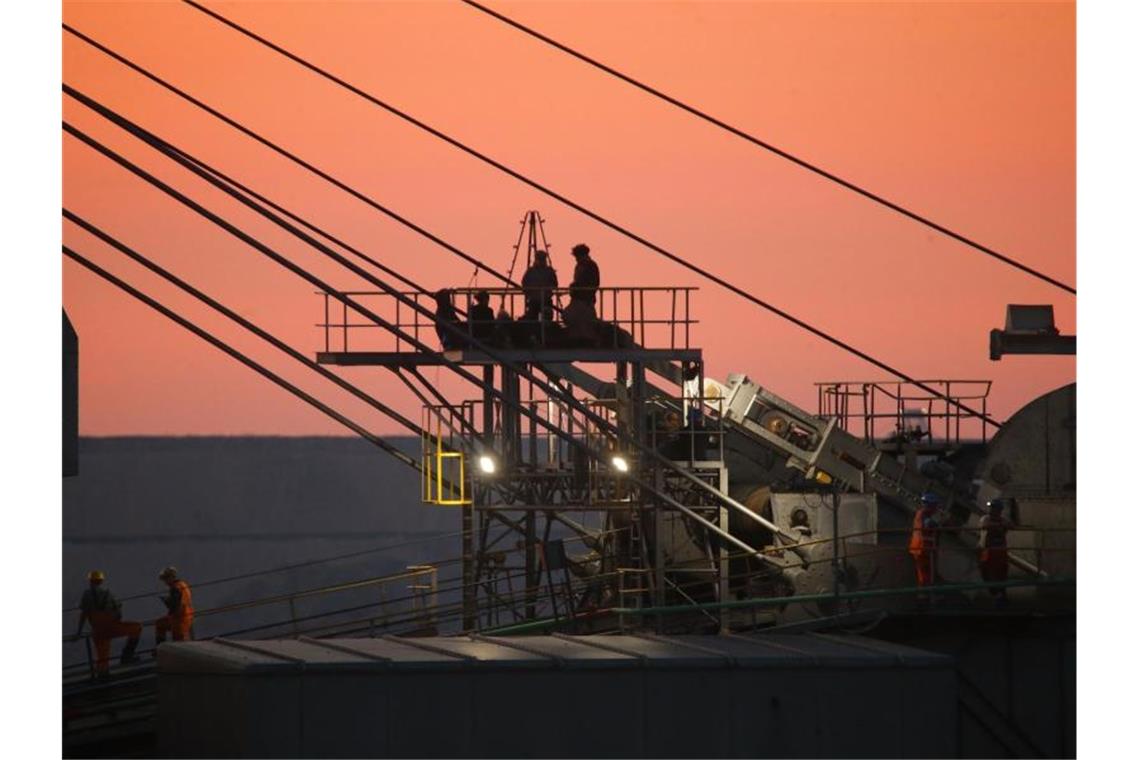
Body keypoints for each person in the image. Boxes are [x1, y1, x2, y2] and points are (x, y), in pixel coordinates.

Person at [72, 570, 141, 677]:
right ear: (101, 581)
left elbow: (83, 614)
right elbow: (118, 614)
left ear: (90, 581)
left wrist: (79, 632)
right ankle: (127, 656)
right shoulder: (108, 593)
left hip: (98, 632)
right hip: (111, 628)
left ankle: (103, 680)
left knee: (102, 659)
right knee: (137, 627)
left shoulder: (86, 595)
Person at [978, 497, 1014, 605]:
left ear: (999, 510)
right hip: (987, 550)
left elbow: (1011, 525)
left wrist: (1001, 524)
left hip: (1000, 550)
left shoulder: (1003, 520)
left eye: (993, 508)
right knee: (986, 572)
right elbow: (984, 525)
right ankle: (995, 593)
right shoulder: (986, 518)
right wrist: (999, 525)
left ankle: (1002, 596)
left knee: (1001, 574)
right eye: (991, 508)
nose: (991, 510)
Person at [563, 243, 600, 344]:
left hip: (584, 299)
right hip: (581, 299)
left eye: (577, 256)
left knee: (571, 316)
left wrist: (575, 288)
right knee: (572, 317)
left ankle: (584, 338)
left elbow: (590, 283)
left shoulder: (590, 266)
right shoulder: (583, 265)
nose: (576, 259)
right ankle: (580, 337)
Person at [908, 491, 942, 589]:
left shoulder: (920, 515)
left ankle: (925, 595)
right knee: (926, 574)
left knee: (923, 574)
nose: (936, 508)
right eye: (935, 505)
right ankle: (926, 596)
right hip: (924, 549)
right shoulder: (924, 517)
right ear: (930, 505)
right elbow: (929, 525)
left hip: (919, 548)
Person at [155, 566, 194, 645]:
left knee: (179, 643)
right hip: (188, 616)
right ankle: (161, 648)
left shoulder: (175, 588)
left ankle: (161, 649)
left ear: (171, 577)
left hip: (179, 619)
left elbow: (175, 605)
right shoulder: (182, 584)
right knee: (160, 623)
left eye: (165, 578)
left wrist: (166, 600)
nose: (165, 581)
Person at [521, 250, 559, 323]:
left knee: (546, 320)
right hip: (534, 300)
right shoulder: (531, 271)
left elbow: (555, 284)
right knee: (532, 320)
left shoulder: (548, 271)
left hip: (545, 300)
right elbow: (524, 283)